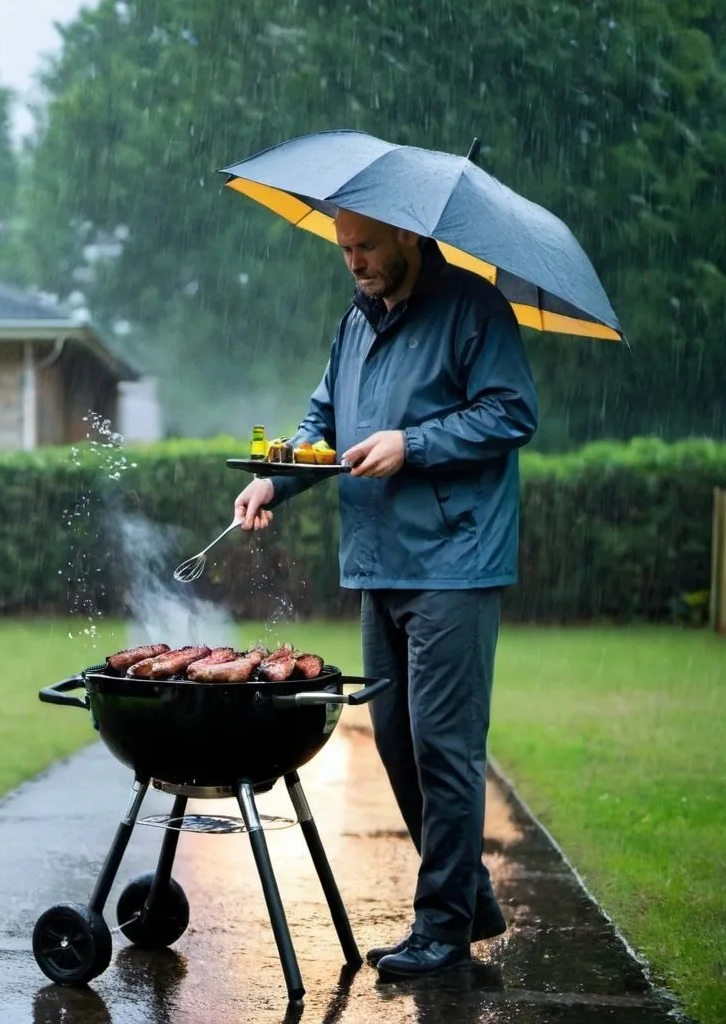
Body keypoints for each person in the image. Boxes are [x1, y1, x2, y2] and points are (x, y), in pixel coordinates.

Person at [233, 208, 539, 981]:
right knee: (399, 745)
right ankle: (464, 902)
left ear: (408, 234)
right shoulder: (356, 323)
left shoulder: (475, 308)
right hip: (379, 564)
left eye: (365, 246)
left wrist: (415, 442)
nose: (354, 262)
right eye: (344, 249)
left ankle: (440, 931)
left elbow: (511, 412)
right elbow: (323, 421)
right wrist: (276, 477)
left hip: (453, 563)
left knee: (444, 747)